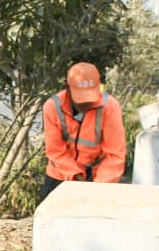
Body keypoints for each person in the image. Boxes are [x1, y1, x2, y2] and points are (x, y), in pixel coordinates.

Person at [38, 62, 127, 201]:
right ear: (67, 89)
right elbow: (55, 152)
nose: (86, 104)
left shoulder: (110, 107)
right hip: (60, 175)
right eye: (80, 98)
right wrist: (78, 180)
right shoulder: (52, 107)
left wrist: (97, 189)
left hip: (99, 178)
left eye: (89, 97)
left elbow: (114, 155)